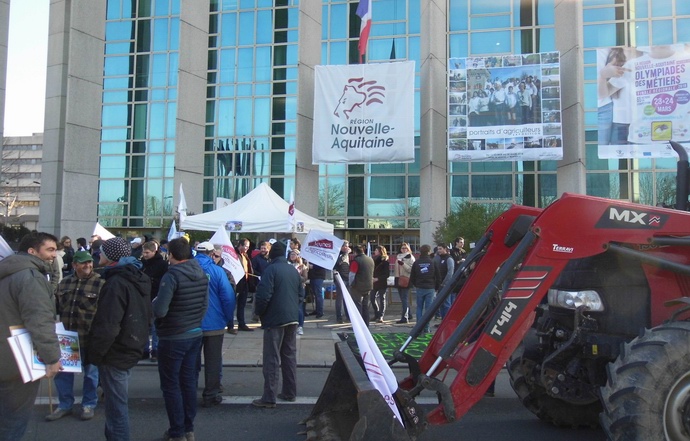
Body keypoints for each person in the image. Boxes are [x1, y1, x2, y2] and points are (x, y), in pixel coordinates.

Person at [87, 237, 151, 441]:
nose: (99, 255)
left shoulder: (116, 282)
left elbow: (108, 324)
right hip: (131, 344)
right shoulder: (136, 276)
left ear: (111, 256)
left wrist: (95, 354)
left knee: (116, 408)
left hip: (116, 350)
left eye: (102, 252)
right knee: (116, 405)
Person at [0, 232, 61, 441]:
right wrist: (52, 358)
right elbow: (39, 320)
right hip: (16, 363)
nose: (54, 255)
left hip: (6, 356)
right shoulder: (30, 277)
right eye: (50, 250)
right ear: (32, 251)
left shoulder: (7, 272)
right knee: (12, 424)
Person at [153, 238, 209, 441]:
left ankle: (176, 431)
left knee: (171, 385)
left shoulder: (172, 276)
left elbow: (160, 311)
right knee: (188, 383)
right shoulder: (201, 273)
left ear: (171, 255)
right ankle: (188, 428)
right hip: (194, 333)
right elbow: (204, 304)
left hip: (173, 336)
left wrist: (153, 304)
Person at [47, 250, 105, 422]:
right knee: (64, 373)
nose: (87, 265)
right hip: (68, 338)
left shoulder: (100, 283)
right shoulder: (64, 283)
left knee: (91, 374)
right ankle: (64, 405)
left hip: (89, 337)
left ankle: (89, 404)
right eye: (83, 263)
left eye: (89, 262)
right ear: (74, 265)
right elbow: (56, 307)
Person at [252, 241, 303, 408]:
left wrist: (260, 313)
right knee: (289, 356)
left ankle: (269, 397)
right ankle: (290, 392)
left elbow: (263, 295)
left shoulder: (270, 270)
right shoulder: (292, 270)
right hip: (292, 317)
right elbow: (301, 294)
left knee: (272, 358)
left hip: (274, 319)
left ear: (273, 254)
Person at [194, 241, 235, 407]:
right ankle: (211, 394)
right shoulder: (217, 271)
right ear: (212, 254)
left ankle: (188, 390)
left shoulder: (186, 269)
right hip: (214, 323)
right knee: (213, 361)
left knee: (190, 360)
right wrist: (227, 318)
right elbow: (228, 298)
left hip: (191, 323)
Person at [141, 240, 169, 362]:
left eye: (147, 252)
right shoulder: (143, 263)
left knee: (154, 326)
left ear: (154, 251)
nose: (145, 254)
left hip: (155, 296)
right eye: (144, 252)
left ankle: (155, 350)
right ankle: (146, 349)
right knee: (145, 325)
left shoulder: (162, 264)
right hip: (144, 296)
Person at [409, 244, 440, 333]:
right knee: (428, 309)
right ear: (429, 252)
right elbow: (438, 276)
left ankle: (419, 327)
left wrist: (416, 284)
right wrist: (436, 287)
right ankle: (426, 328)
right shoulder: (432, 262)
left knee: (419, 307)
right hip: (430, 287)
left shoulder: (417, 262)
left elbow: (412, 277)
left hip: (420, 287)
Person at [228, 237, 255, 333]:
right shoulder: (234, 255)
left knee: (242, 305)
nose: (247, 248)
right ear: (240, 245)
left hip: (245, 283)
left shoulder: (245, 255)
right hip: (236, 284)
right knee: (232, 305)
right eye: (246, 247)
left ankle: (241, 324)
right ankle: (230, 325)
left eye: (248, 247)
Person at [348, 245, 374, 327]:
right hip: (368, 285)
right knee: (365, 306)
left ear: (355, 252)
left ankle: (357, 326)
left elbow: (352, 275)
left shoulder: (356, 261)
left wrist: (351, 284)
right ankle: (366, 324)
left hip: (358, 286)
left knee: (357, 306)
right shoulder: (370, 259)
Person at [288, 249, 308, 335]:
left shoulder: (302, 266)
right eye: (291, 254)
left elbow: (305, 278)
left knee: (299, 308)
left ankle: (300, 326)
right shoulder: (287, 265)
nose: (292, 256)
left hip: (300, 288)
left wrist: (295, 276)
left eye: (294, 254)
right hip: (289, 288)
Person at [394, 243, 415, 324]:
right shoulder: (398, 256)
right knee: (403, 299)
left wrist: (403, 264)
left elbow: (411, 269)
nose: (404, 249)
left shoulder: (410, 257)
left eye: (405, 248)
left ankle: (404, 317)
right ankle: (409, 315)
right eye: (402, 248)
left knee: (404, 299)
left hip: (406, 279)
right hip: (398, 278)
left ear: (408, 249)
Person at [434, 244, 455, 320]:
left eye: (440, 249)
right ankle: (443, 321)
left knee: (446, 304)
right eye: (438, 249)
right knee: (441, 304)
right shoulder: (439, 258)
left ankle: (447, 321)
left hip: (445, 285)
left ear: (445, 249)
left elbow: (450, 272)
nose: (439, 250)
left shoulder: (449, 259)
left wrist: (444, 283)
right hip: (439, 284)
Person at [370, 245, 390, 323]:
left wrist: (377, 278)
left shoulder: (384, 262)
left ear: (380, 252)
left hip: (381, 282)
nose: (375, 252)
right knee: (372, 298)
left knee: (382, 299)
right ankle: (377, 313)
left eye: (376, 250)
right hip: (374, 282)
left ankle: (381, 315)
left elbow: (386, 274)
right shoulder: (373, 260)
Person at [332, 241, 351, 323]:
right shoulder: (338, 254)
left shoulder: (346, 254)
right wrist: (346, 253)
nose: (347, 248)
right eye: (346, 246)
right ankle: (339, 317)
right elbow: (339, 262)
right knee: (339, 298)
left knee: (347, 299)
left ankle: (348, 316)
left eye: (348, 246)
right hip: (340, 278)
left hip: (347, 277)